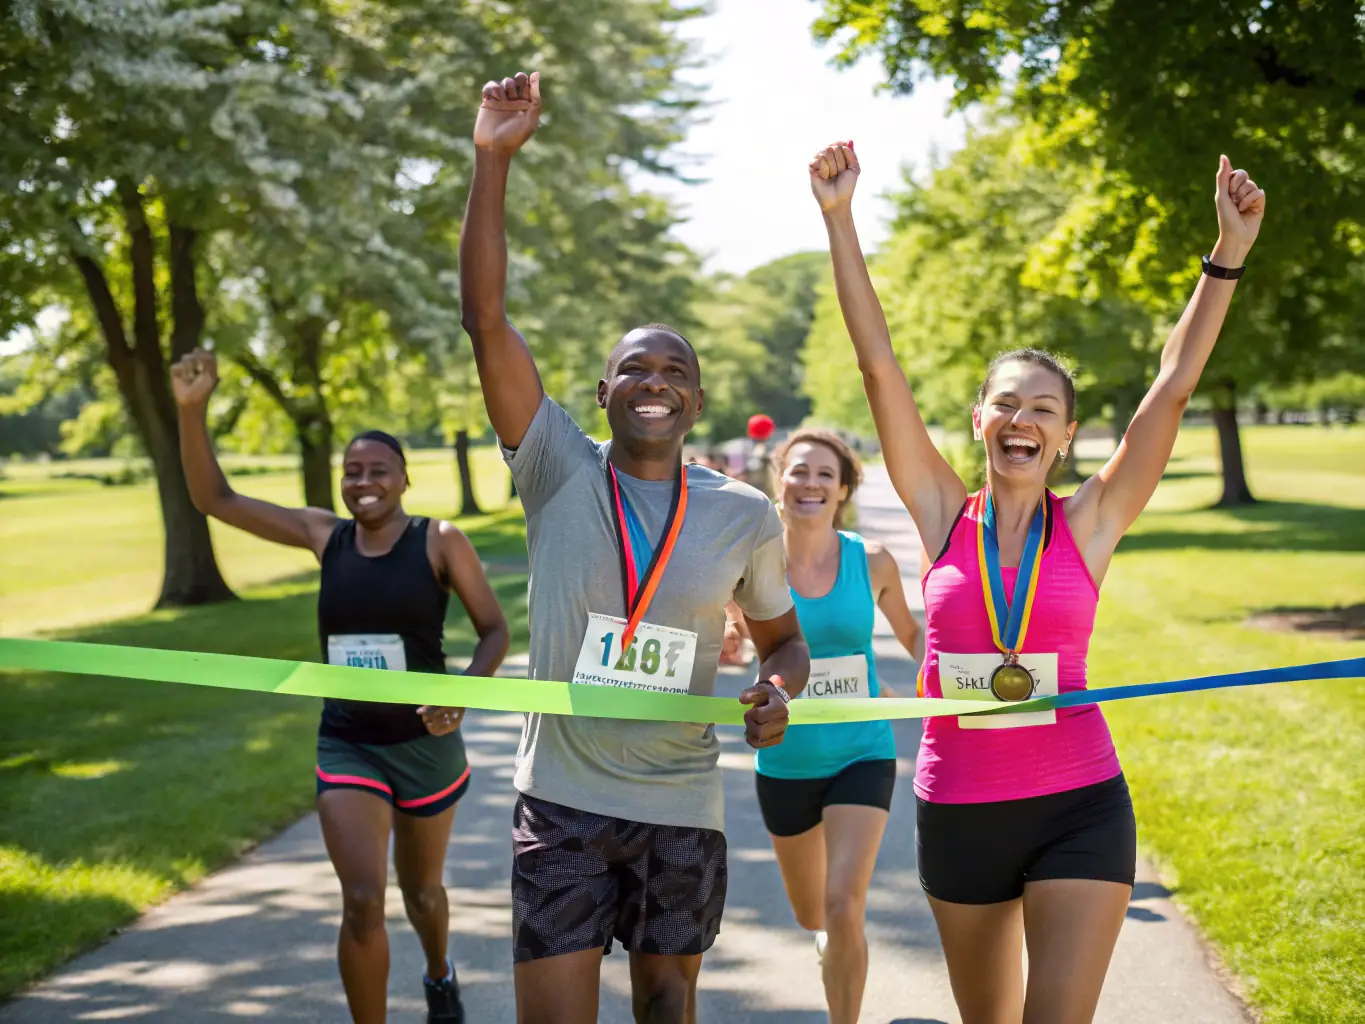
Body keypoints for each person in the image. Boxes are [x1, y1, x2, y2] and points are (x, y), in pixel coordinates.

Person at [808, 140, 1264, 1023]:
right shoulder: (943, 513)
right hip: (961, 809)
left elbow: (1169, 392)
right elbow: (878, 366)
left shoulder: (1088, 523)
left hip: (1078, 806)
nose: (1021, 418)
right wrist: (839, 220)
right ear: (979, 419)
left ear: (1064, 437)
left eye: (1042, 409)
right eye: (1006, 403)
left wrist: (1226, 256)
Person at [459, 70, 810, 1024]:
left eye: (673, 371)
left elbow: (783, 642)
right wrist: (490, 160)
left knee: (666, 1005)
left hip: (681, 797)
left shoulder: (742, 511)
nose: (652, 381)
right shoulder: (559, 468)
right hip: (563, 798)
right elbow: (484, 320)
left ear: (696, 400)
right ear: (603, 389)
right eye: (633, 369)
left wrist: (776, 692)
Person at [172, 349, 510, 1024]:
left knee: (421, 895)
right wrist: (192, 410)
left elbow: (494, 630)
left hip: (424, 743)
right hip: (349, 743)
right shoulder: (323, 536)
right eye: (351, 472)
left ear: (404, 480)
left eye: (376, 470)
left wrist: (464, 692)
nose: (362, 482)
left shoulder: (439, 540)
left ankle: (439, 976)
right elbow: (215, 499)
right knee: (361, 900)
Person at [752, 428, 923, 1024]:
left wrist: (954, 680)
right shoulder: (753, 559)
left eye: (826, 474)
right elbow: (716, 630)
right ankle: (829, 944)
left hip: (863, 751)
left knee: (844, 904)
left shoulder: (870, 560)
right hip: (785, 760)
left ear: (844, 488)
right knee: (813, 916)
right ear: (780, 478)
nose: (810, 483)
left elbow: (916, 637)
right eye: (799, 470)